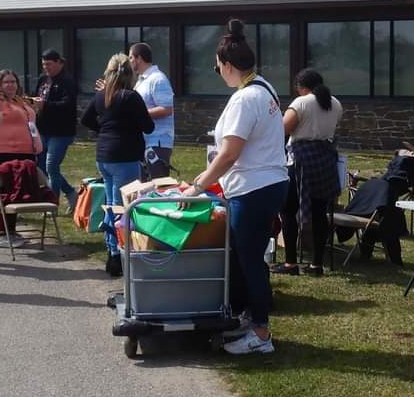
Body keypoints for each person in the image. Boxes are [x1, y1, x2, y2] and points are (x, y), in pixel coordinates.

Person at [187, 18, 287, 355]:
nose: (220, 75)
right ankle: (251, 317)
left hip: (254, 188)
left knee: (249, 261)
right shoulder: (266, 88)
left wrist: (199, 185)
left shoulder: (245, 99)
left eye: (218, 69)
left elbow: (229, 154)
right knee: (249, 258)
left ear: (228, 65)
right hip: (268, 183)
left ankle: (261, 334)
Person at [80, 54, 154, 277]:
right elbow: (148, 126)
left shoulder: (102, 95)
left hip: (104, 155)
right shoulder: (131, 97)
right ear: (130, 75)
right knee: (124, 207)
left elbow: (85, 119)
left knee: (112, 204)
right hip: (126, 155)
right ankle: (120, 253)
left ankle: (112, 252)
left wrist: (104, 126)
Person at [272, 69, 342, 276]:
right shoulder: (335, 103)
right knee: (320, 213)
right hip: (325, 157)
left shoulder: (300, 103)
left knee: (287, 210)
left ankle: (291, 263)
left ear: (302, 87)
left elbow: (283, 129)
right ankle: (316, 264)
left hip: (301, 159)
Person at [0, 69, 42, 244]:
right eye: (6, 82)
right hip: (2, 151)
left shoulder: (21, 101)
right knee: (4, 192)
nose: (10, 85)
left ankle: (12, 230)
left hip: (25, 151)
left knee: (17, 191)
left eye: (13, 82)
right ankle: (2, 232)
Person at [33, 49, 79, 213]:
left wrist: (46, 105)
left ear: (60, 63)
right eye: (44, 64)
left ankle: (52, 205)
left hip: (61, 131)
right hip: (43, 129)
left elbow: (68, 105)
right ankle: (71, 192)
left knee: (52, 165)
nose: (46, 68)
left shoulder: (67, 81)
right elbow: (37, 97)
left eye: (49, 64)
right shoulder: (43, 79)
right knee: (42, 166)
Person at [129, 42, 176, 180]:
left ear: (139, 58)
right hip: (143, 141)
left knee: (156, 185)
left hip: (157, 142)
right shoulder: (141, 81)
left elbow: (167, 109)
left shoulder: (158, 79)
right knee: (143, 186)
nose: (129, 62)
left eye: (131, 58)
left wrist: (138, 115)